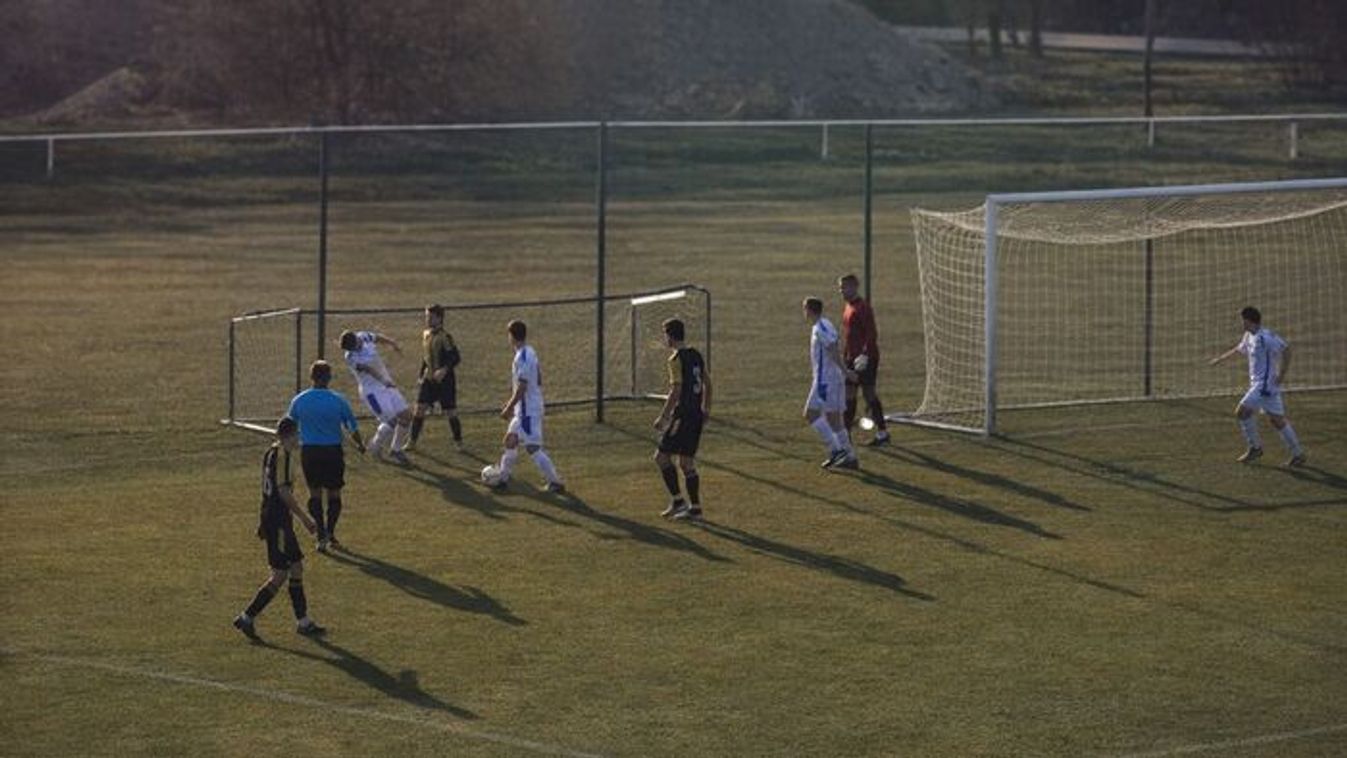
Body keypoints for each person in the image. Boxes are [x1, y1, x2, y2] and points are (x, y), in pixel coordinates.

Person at [233, 416, 327, 640]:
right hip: (279, 521)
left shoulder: (270, 452)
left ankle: (303, 622)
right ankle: (247, 617)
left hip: (274, 518)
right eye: (297, 434)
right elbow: (283, 492)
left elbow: (266, 490)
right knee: (280, 574)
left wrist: (262, 519)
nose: (298, 438)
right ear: (290, 435)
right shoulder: (283, 455)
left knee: (296, 567)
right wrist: (305, 518)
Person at [1209, 306, 1307, 466]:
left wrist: (1281, 375)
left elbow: (1286, 350)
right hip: (1263, 386)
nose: (1241, 323)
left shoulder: (1265, 337)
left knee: (1242, 412)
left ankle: (1255, 448)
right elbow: (1238, 349)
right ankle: (1298, 454)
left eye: (1243, 320)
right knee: (1277, 420)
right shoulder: (1249, 336)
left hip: (1264, 385)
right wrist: (1220, 359)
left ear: (1249, 321)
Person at [287, 360, 365, 553]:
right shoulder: (338, 400)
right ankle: (331, 533)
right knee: (334, 493)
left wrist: (288, 446)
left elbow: (289, 425)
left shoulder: (299, 400)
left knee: (314, 493)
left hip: (310, 452)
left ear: (311, 377)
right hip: (332, 451)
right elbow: (351, 426)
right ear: (328, 377)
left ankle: (321, 535)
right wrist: (360, 444)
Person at [491, 320, 565, 492]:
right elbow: (537, 379)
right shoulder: (529, 351)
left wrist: (509, 407)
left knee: (533, 448)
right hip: (525, 409)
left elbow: (522, 386)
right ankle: (502, 479)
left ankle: (555, 482)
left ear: (512, 336)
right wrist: (514, 403)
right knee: (510, 440)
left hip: (527, 411)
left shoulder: (522, 356)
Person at [653, 318, 712, 521]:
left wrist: (664, 416)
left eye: (665, 335)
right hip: (696, 415)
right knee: (686, 462)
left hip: (683, 416)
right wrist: (706, 409)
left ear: (670, 336)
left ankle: (679, 501)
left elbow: (676, 390)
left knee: (661, 458)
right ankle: (694, 508)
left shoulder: (675, 359)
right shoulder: (695, 355)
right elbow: (708, 383)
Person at [340, 329, 412, 466]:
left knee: (407, 416)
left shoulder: (363, 336)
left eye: (355, 345)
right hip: (373, 392)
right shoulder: (350, 357)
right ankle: (375, 445)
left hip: (387, 384)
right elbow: (369, 370)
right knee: (391, 421)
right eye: (352, 348)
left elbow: (377, 338)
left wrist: (392, 343)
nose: (355, 348)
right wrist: (384, 381)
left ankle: (396, 449)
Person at [802, 297, 857, 469]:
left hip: (826, 381)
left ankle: (837, 450)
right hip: (827, 379)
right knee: (833, 419)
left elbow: (832, 348)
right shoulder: (823, 324)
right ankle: (849, 456)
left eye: (804, 309)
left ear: (809, 310)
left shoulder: (821, 327)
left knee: (813, 414)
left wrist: (845, 371)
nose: (804, 313)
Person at [838, 274, 890, 446]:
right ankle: (846, 435)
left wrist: (865, 354)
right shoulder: (848, 306)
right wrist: (846, 356)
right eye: (840, 288)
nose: (841, 291)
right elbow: (849, 335)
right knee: (849, 394)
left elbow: (871, 333)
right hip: (851, 358)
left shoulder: (863, 308)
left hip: (866, 359)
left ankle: (882, 433)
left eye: (844, 287)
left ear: (854, 287)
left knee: (868, 394)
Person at [409, 304, 464, 451]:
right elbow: (426, 357)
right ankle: (412, 442)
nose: (427, 319)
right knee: (419, 409)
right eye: (426, 316)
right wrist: (421, 374)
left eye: (430, 317)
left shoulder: (445, 337)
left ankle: (458, 442)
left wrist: (444, 370)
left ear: (439, 318)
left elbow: (455, 357)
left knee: (451, 412)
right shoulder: (426, 334)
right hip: (429, 381)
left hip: (445, 382)